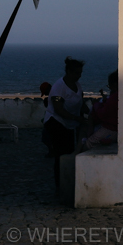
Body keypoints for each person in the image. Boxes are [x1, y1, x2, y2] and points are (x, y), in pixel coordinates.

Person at [43, 57, 87, 186]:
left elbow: (81, 103)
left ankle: (68, 181)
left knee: (69, 151)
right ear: (68, 71)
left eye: (80, 73)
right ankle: (61, 184)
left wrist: (92, 113)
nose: (79, 76)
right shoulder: (59, 87)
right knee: (61, 154)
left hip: (69, 124)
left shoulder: (77, 85)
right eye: (76, 73)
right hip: (56, 122)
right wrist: (77, 118)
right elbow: (58, 109)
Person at [86, 70, 117, 148]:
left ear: (114, 84)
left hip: (110, 129)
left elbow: (102, 114)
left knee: (89, 143)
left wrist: (95, 104)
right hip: (116, 128)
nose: (110, 88)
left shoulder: (115, 96)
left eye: (110, 86)